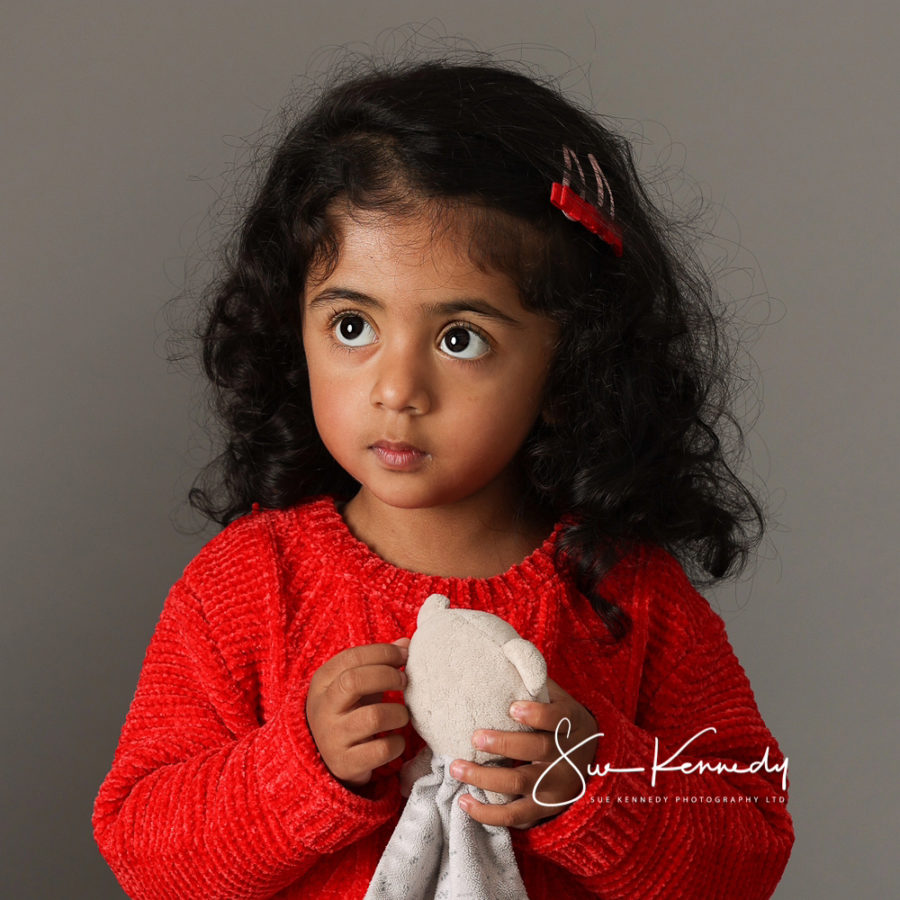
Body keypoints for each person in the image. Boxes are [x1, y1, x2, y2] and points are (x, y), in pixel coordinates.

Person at [93, 57, 795, 899]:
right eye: (352, 324)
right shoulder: (246, 587)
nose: (396, 390)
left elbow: (751, 843)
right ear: (295, 330)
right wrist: (298, 767)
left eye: (461, 338)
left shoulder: (630, 591)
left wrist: (595, 779)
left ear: (572, 368)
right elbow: (142, 849)